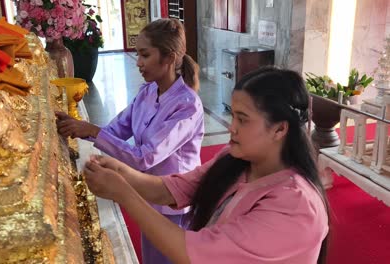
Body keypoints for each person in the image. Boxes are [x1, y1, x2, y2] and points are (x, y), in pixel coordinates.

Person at [83, 67, 330, 264]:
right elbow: (174, 189)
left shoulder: (295, 205)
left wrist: (124, 194)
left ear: (279, 129)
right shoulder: (235, 160)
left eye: (242, 120)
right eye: (232, 115)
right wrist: (123, 172)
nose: (230, 127)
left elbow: (192, 254)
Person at [56, 18, 204, 264]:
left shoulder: (186, 106)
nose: (138, 63)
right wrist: (78, 126)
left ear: (168, 57)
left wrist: (92, 130)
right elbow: (115, 130)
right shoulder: (148, 92)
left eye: (145, 55)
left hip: (173, 203)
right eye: (138, 55)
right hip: (148, 195)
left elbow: (145, 157)